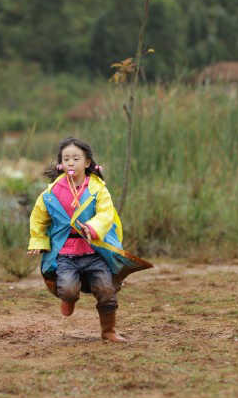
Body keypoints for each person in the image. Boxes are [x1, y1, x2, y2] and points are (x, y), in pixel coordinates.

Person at [27, 136, 152, 342]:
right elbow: (39, 217)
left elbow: (106, 214)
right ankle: (68, 298)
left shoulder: (98, 189)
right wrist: (38, 241)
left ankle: (108, 331)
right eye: (66, 159)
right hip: (65, 253)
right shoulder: (51, 193)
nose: (70, 163)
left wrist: (93, 228)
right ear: (61, 163)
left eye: (76, 158)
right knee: (67, 289)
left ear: (87, 162)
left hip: (94, 250)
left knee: (106, 289)